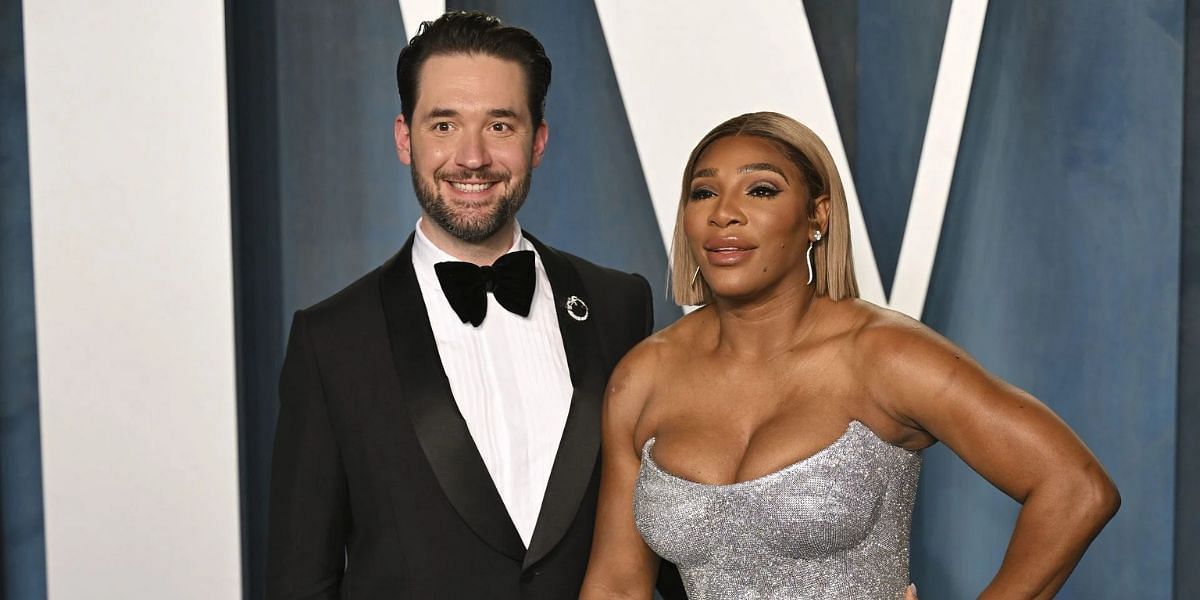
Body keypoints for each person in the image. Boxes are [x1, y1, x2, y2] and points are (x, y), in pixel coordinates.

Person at [578, 112, 1120, 599]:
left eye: (761, 190)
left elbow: (1075, 488)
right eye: (703, 194)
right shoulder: (645, 375)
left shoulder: (883, 355)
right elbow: (617, 584)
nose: (724, 215)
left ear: (818, 215)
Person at [266, 12, 683, 599]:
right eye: (443, 125)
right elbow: (299, 581)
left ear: (538, 140)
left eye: (500, 126)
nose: (472, 156)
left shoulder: (617, 306)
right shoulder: (331, 340)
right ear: (403, 138)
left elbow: (664, 534)